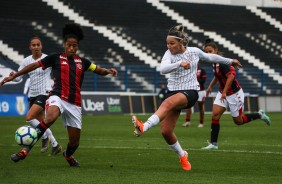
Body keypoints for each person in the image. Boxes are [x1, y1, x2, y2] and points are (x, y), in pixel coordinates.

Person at [0, 23, 118, 167]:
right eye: (69, 45)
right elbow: (34, 65)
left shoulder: (83, 62)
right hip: (57, 96)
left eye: (74, 46)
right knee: (50, 117)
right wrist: (15, 75)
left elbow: (98, 69)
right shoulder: (55, 58)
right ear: (64, 45)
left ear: (77, 46)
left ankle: (68, 155)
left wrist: (108, 71)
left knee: (74, 143)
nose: (71, 48)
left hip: (74, 103)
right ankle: (25, 151)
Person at [131, 25, 242, 171]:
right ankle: (183, 155)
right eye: (167, 43)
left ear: (181, 42)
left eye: (172, 43)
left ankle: (143, 126)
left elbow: (210, 57)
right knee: (166, 132)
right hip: (173, 93)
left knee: (168, 102)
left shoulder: (194, 52)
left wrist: (229, 60)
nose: (169, 46)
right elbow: (162, 69)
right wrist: (179, 63)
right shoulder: (168, 54)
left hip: (190, 92)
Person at [201, 39, 271, 150]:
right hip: (222, 92)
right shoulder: (214, 63)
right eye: (206, 52)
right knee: (215, 115)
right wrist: (210, 86)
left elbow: (231, 76)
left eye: (210, 51)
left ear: (216, 51)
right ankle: (214, 144)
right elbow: (217, 75)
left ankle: (259, 115)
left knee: (238, 121)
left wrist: (224, 92)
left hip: (234, 93)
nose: (208, 54)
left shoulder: (223, 62)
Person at [14, 37, 62, 156]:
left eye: (38, 45)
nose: (36, 47)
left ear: (41, 46)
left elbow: (57, 69)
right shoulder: (26, 61)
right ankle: (55, 145)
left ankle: (45, 138)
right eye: (33, 45)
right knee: (42, 122)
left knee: (29, 117)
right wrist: (13, 75)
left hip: (44, 92)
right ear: (30, 47)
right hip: (32, 94)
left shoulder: (47, 58)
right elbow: (19, 77)